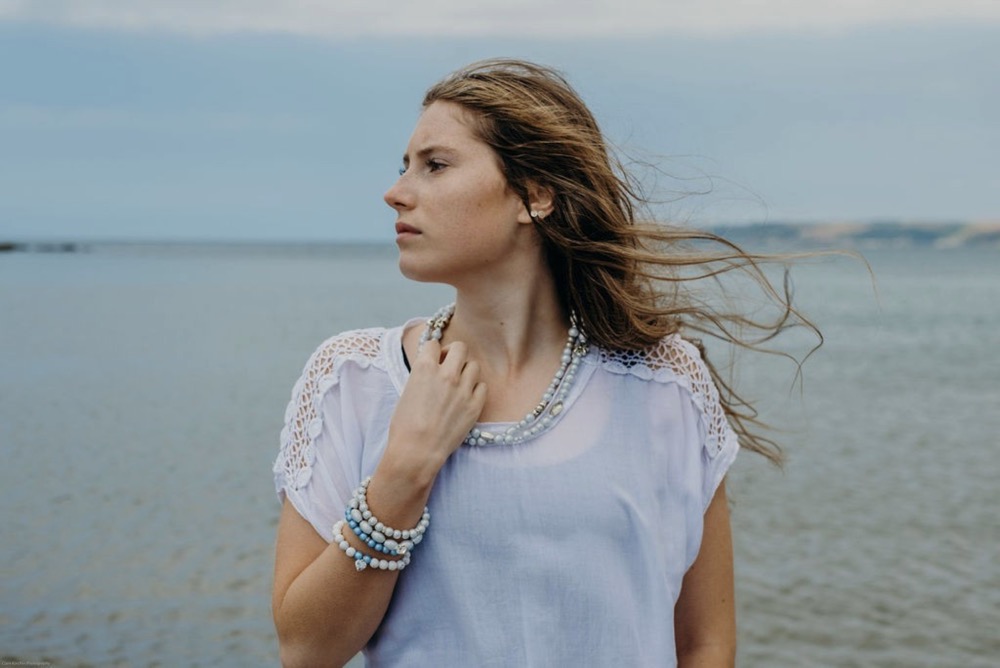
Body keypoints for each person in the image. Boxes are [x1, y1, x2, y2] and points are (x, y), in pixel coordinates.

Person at [271, 59, 814, 667]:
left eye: (436, 165)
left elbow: (704, 643)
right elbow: (306, 651)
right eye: (405, 166)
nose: (396, 191)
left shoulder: (665, 381)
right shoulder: (352, 380)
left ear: (535, 195)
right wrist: (403, 472)